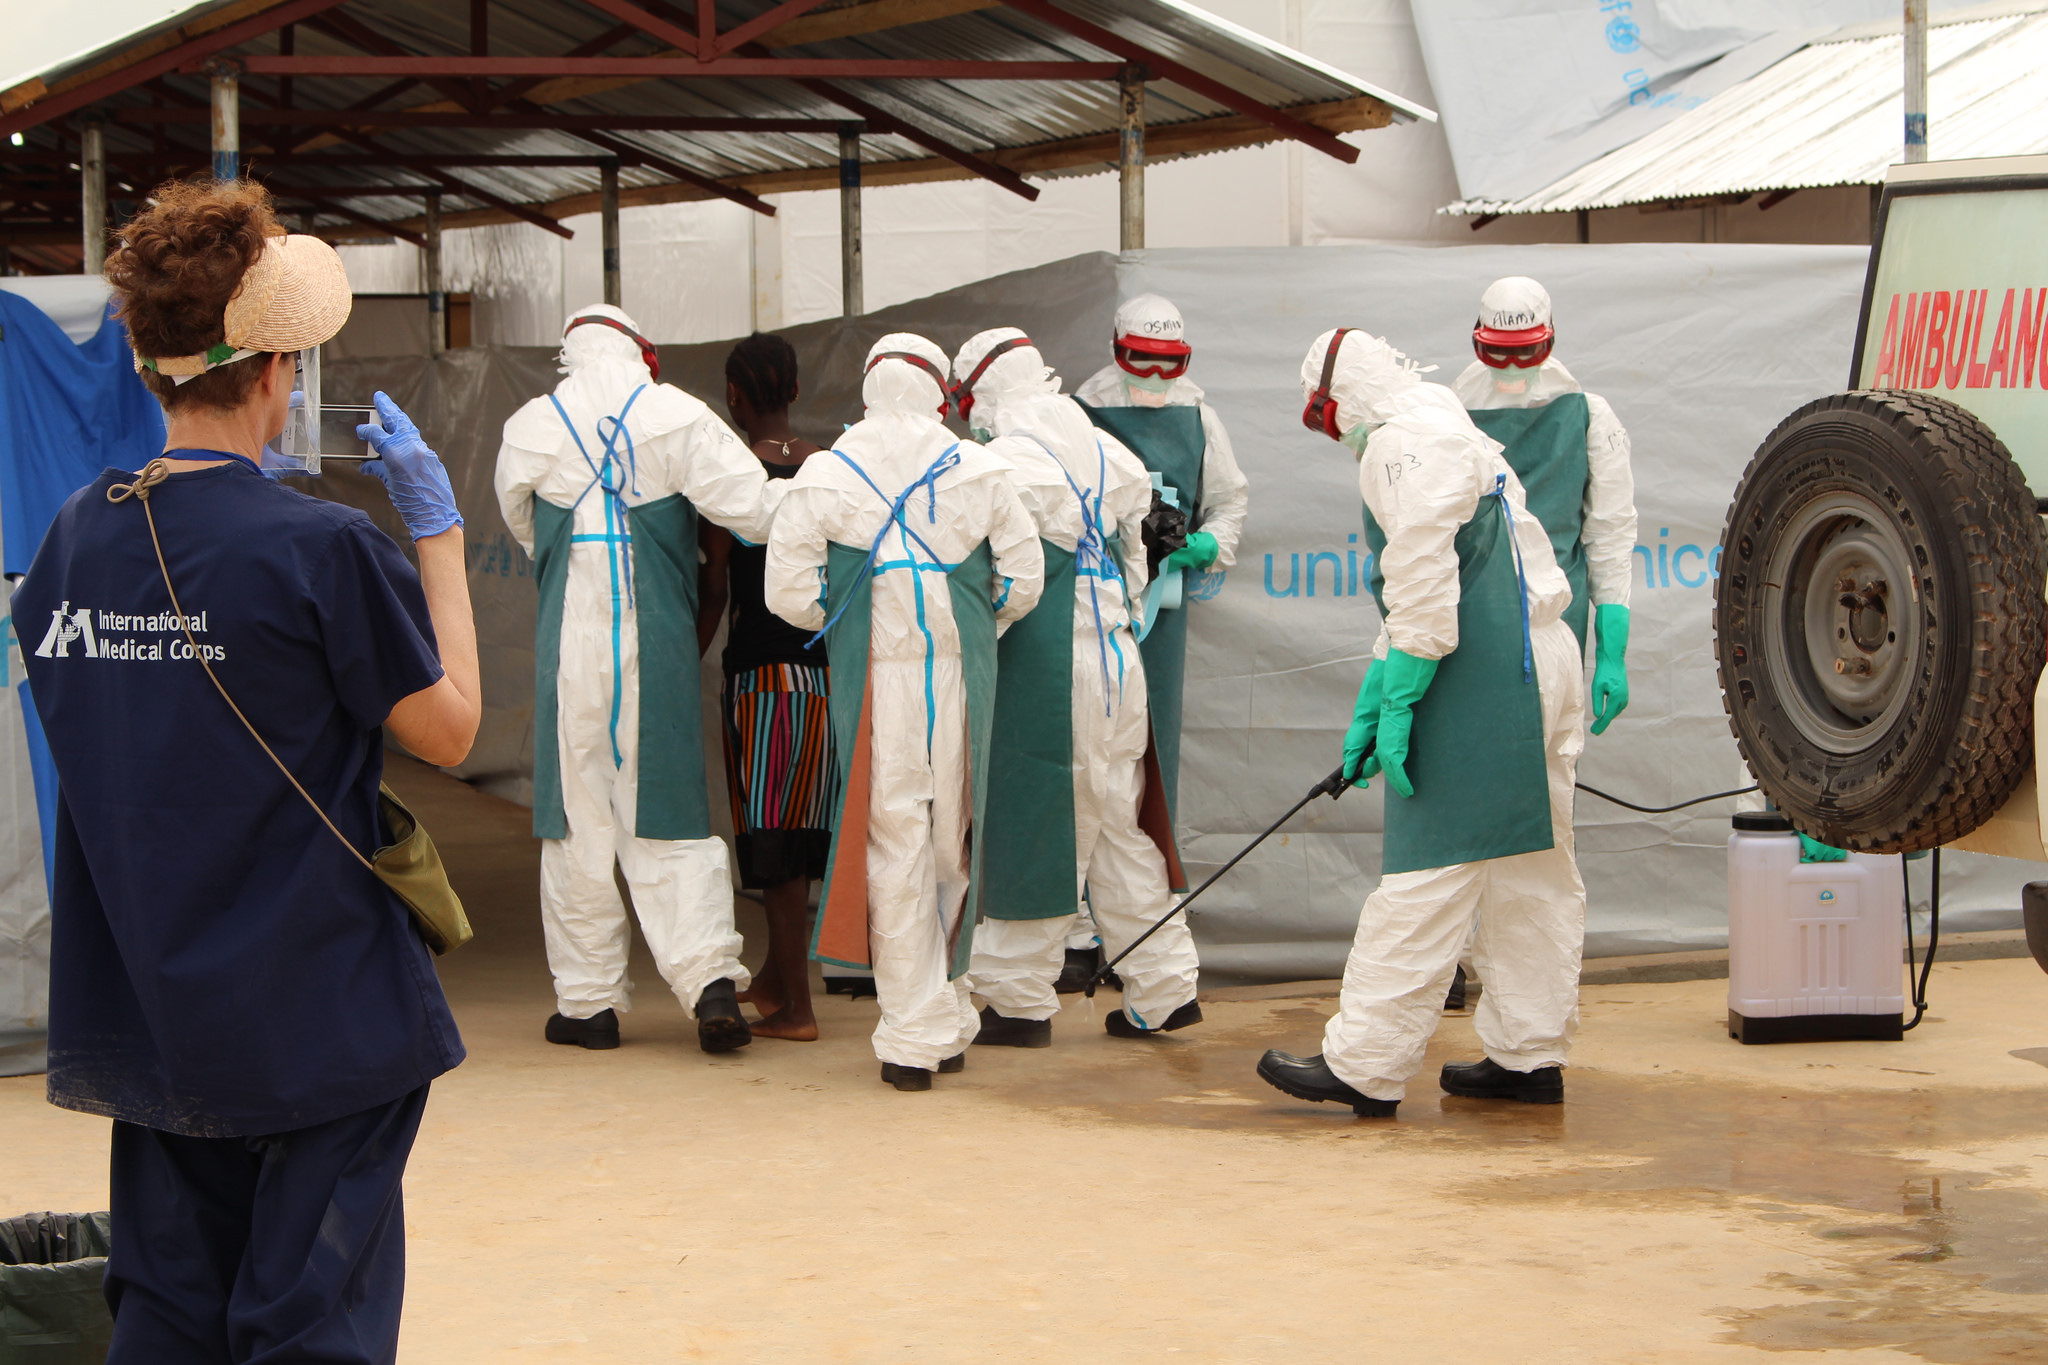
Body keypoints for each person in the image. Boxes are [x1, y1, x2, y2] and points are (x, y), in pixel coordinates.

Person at [17, 178, 479, 1362]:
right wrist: (436, 534)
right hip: (319, 1014)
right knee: (308, 1323)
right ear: (278, 369)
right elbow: (451, 730)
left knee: (168, 1313)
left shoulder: (72, 538)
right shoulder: (322, 546)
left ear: (144, 364)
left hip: (151, 1011)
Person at [1257, 327, 1588, 1118]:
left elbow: (1425, 575)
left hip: (1487, 673)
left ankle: (1365, 1063)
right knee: (1529, 869)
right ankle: (1528, 1053)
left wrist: (1400, 692)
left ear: (1341, 398)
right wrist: (1379, 687)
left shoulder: (1401, 443)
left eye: (1322, 415)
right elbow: (1437, 581)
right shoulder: (1449, 426)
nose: (1331, 432)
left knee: (1428, 867)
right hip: (1537, 655)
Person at [496, 304, 783, 1055]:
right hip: (652, 637)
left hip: (570, 643)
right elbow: (753, 511)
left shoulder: (532, 423)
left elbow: (526, 529)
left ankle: (588, 1005)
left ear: (570, 353)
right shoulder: (675, 414)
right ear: (638, 352)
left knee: (577, 819)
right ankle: (711, 984)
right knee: (669, 810)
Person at [763, 333, 1043, 1091]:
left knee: (893, 842)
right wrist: (981, 621)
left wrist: (851, 612)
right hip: (956, 674)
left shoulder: (826, 472)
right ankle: (939, 1015)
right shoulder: (979, 467)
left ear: (869, 387)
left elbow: (785, 593)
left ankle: (917, 1030)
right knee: (955, 837)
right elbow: (1023, 578)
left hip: (878, 679)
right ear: (936, 390)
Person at [951, 328, 1201, 1045]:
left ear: (985, 392)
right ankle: (1164, 986)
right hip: (1121, 662)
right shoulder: (1103, 448)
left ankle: (1017, 999)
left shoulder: (999, 463)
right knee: (1122, 828)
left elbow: (993, 583)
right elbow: (1148, 543)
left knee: (1042, 822)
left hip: (1052, 666)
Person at [1442, 275, 1638, 1011]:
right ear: (1478, 342)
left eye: (1527, 354)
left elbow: (1611, 533)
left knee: (1545, 817)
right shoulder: (1450, 414)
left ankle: (1525, 996)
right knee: (1459, 802)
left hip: (1552, 634)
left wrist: (1611, 646)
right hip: (1466, 633)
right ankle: (1456, 960)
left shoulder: (1590, 416)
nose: (1516, 372)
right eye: (1501, 354)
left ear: (1549, 340)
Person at [1067, 294, 1250, 987]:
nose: (1153, 377)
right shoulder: (1081, 414)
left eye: (1168, 365)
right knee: (1082, 760)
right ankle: (1077, 928)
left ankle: (1138, 932)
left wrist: (1201, 543)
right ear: (1117, 349)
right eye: (1141, 362)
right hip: (1086, 611)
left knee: (1149, 768)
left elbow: (1230, 499)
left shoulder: (1199, 416)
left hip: (1159, 617)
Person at [697, 332, 835, 1042]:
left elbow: (716, 584)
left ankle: (798, 1007)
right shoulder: (824, 469)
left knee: (774, 835)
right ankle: (778, 976)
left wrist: (685, 653)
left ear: (735, 396)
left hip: (761, 679)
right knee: (803, 830)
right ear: (795, 391)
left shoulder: (733, 481)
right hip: (822, 674)